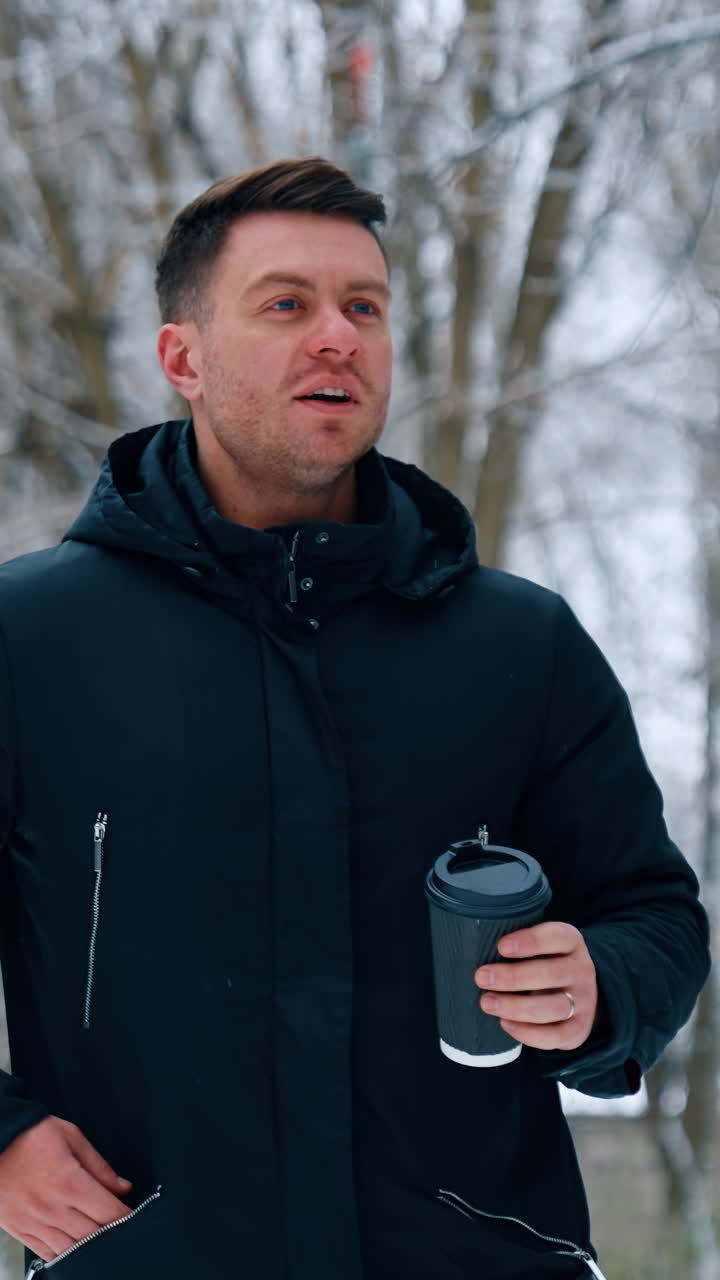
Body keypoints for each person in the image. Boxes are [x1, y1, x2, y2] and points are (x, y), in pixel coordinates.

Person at [0, 156, 709, 1280]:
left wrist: (600, 981)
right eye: (287, 304)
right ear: (182, 355)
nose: (337, 335)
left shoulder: (519, 643)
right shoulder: (30, 638)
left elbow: (656, 915)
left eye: (363, 307)